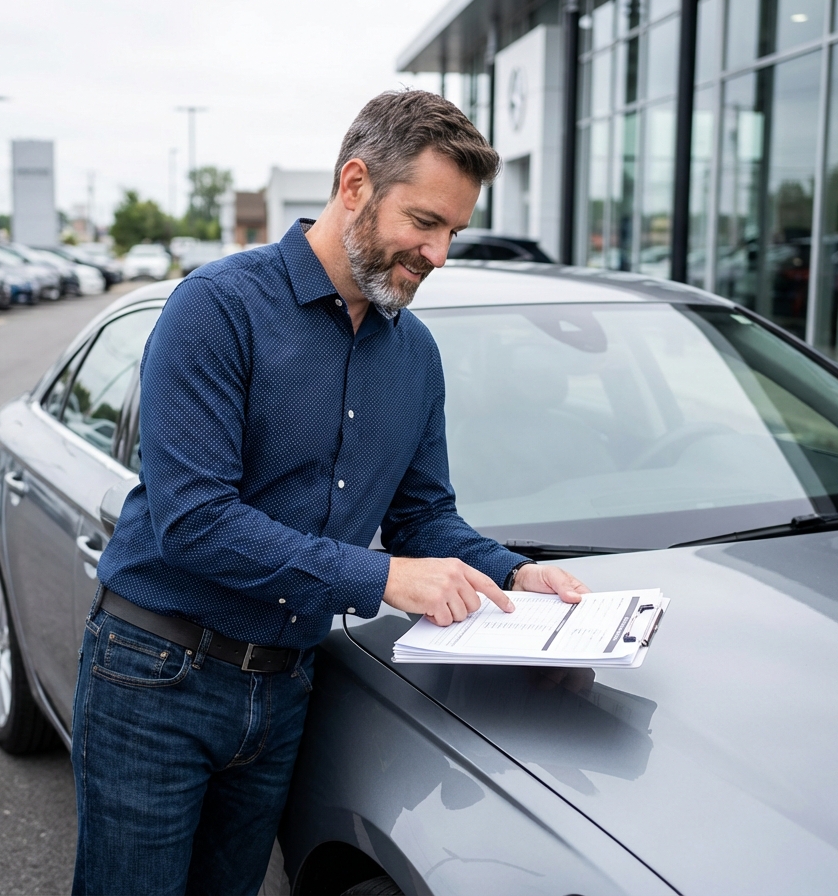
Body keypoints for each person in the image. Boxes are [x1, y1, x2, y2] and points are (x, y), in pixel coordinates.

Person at [72, 89, 590, 896]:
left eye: (453, 231)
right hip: (157, 674)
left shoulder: (415, 356)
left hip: (285, 688)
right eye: (424, 222)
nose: (439, 254)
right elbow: (194, 522)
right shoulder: (216, 309)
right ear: (355, 185)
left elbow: (422, 518)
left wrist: (516, 575)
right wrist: (382, 578)